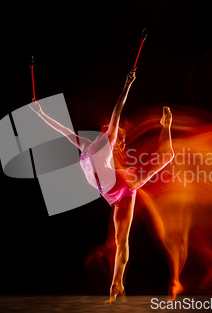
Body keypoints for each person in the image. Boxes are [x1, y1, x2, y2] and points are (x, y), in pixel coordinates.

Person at [29, 69, 175, 303]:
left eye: (112, 126)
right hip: (113, 195)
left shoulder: (109, 138)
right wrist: (41, 113)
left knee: (167, 157)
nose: (110, 125)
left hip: (124, 182)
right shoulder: (85, 143)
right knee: (121, 241)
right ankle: (117, 283)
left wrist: (127, 85)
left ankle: (166, 124)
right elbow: (61, 129)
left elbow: (117, 109)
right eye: (108, 124)